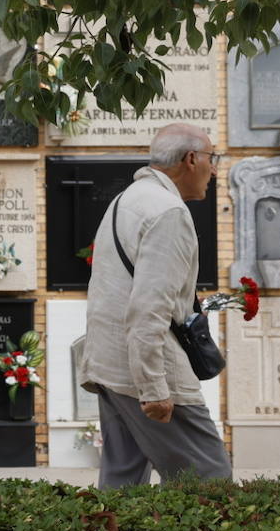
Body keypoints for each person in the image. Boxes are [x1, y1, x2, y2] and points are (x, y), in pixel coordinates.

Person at [78, 122, 232, 487]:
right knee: (210, 478)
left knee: (122, 485)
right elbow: (149, 308)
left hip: (110, 366)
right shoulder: (168, 213)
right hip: (147, 371)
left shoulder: (127, 200)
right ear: (191, 159)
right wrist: (154, 387)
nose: (215, 169)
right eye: (213, 158)